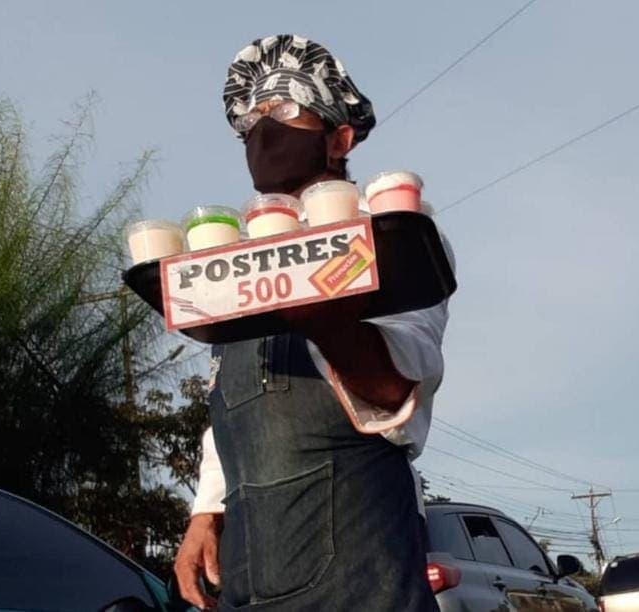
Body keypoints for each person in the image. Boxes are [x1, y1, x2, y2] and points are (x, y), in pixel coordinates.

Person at [172, 34, 450, 611]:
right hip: (252, 575)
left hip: (361, 575)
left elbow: (400, 386)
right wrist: (205, 511)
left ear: (339, 138)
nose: (261, 129)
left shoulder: (387, 235)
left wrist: (327, 321)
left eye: (284, 110)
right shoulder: (235, 267)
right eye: (250, 118)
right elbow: (231, 405)